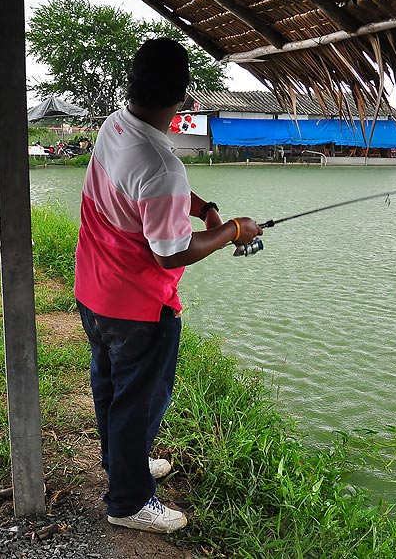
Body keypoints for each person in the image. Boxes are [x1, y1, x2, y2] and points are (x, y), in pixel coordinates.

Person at [74, 38, 261, 535]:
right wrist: (231, 231)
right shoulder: (162, 167)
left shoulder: (115, 127)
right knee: (140, 401)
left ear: (132, 82)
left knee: (111, 389)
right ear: (185, 96)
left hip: (93, 291)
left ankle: (122, 464)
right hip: (137, 307)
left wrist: (201, 207)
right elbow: (170, 252)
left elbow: (152, 194)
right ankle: (129, 501)